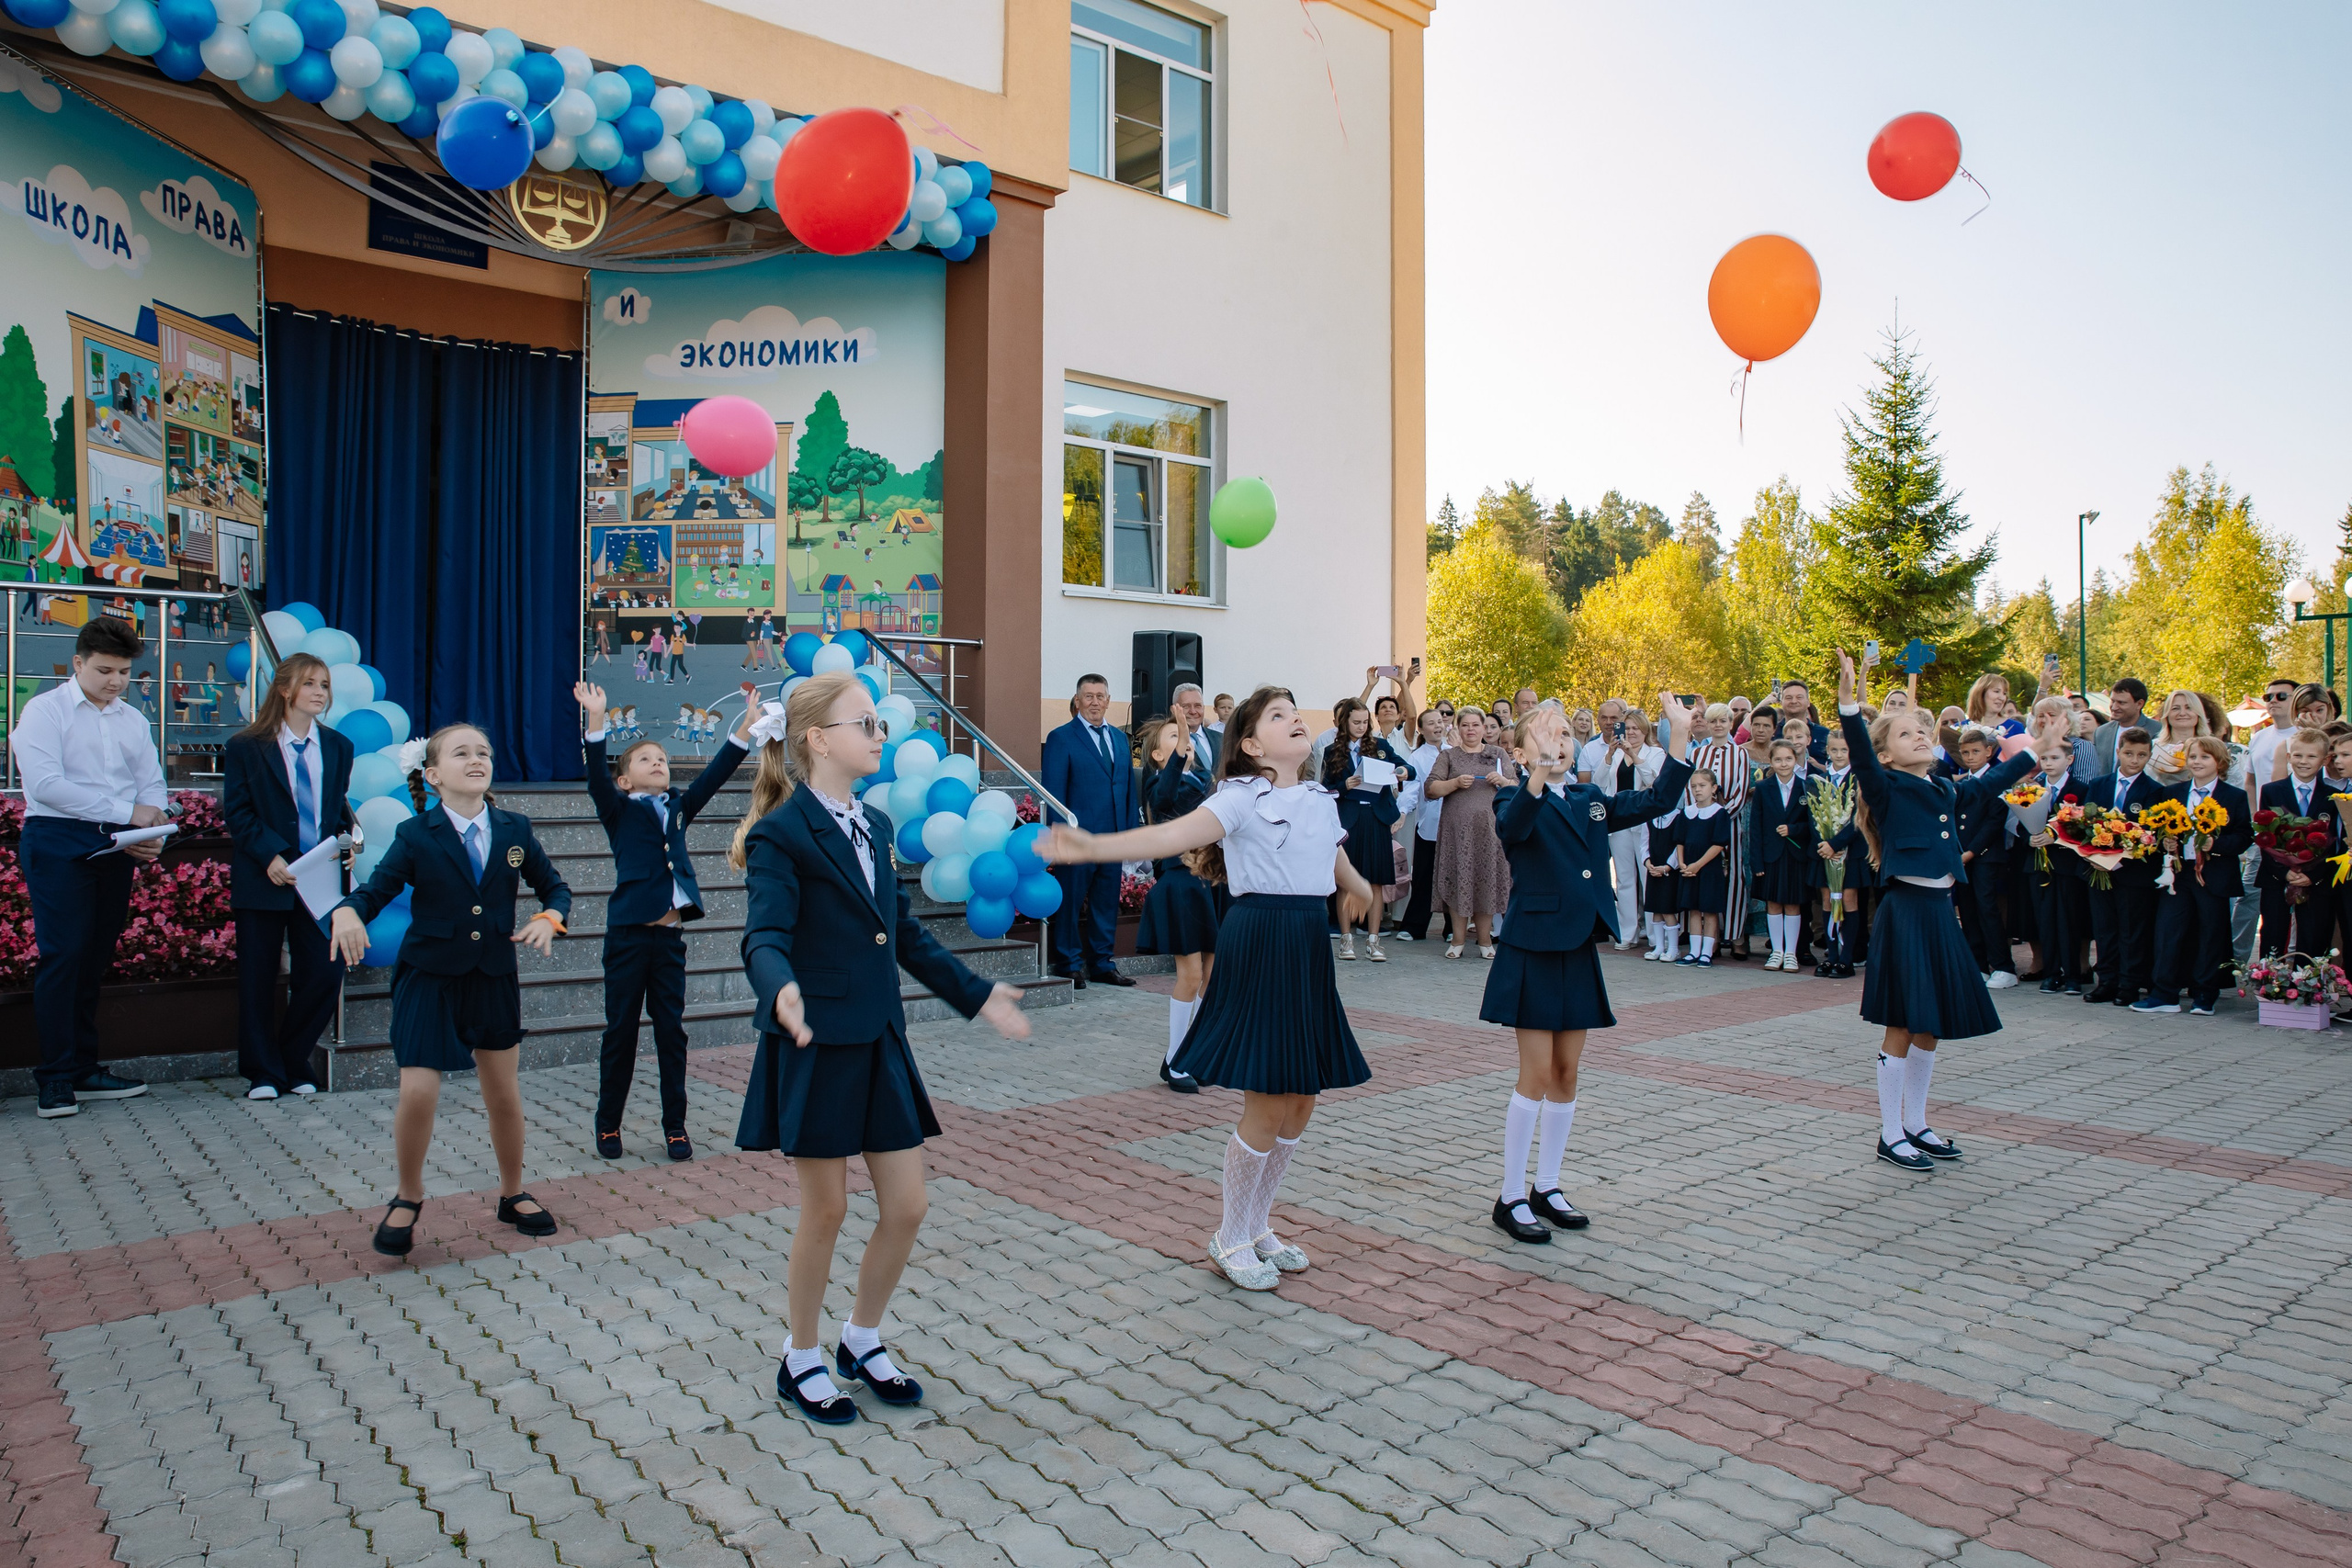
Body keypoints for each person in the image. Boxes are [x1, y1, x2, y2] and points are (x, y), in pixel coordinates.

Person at [728, 674, 1029, 1423]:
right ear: (817, 739)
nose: (879, 732)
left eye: (878, 720)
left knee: (908, 1205)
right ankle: (800, 1356)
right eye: (863, 722)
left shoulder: (879, 826)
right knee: (825, 1209)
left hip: (879, 1039)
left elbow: (905, 934)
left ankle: (860, 1338)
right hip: (816, 1040)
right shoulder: (780, 832)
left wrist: (977, 991)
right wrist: (779, 986)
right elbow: (762, 933)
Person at [1039, 687, 1378, 1292]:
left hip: (1305, 944)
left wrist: (1358, 885)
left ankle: (1258, 1223)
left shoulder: (1321, 801)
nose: (1295, 719)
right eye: (1278, 716)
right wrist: (1092, 844)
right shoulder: (1239, 797)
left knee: (1302, 1097)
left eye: (1295, 711)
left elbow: (1334, 863)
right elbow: (1167, 837)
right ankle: (1230, 1232)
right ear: (1250, 745)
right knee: (1269, 1098)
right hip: (1261, 938)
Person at [331, 725, 572, 1256]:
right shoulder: (417, 834)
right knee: (418, 1089)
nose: (477, 758)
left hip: (491, 976)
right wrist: (348, 910)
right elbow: (377, 889)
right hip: (429, 977)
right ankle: (408, 1195)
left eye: (484, 751)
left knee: (503, 1094)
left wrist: (551, 917)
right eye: (461, 753)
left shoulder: (514, 828)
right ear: (434, 775)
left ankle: (512, 1192)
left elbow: (555, 886)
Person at [1482, 699, 1691, 1244]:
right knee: (1534, 1075)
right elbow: (1514, 828)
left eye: (1564, 734)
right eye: (1546, 735)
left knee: (1567, 1074)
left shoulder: (1589, 798)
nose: (1560, 740)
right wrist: (1536, 778)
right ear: (1521, 751)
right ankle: (1510, 1196)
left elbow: (1657, 798)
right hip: (1532, 947)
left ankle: (1546, 1187)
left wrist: (1680, 740)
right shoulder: (1512, 795)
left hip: (1576, 948)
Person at [1837, 649, 2036, 1173]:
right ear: (1888, 756)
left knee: (1931, 1026)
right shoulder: (1884, 786)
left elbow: (1988, 784)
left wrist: (2035, 751)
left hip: (1939, 911)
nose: (1921, 737)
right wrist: (1849, 706)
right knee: (1903, 1024)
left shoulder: (1942, 786)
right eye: (1906, 735)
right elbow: (1860, 755)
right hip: (1906, 915)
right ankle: (1889, 1132)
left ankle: (1917, 1125)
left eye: (1922, 732)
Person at [576, 680, 753, 1162]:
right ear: (626, 780)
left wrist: (743, 731)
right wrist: (596, 719)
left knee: (671, 1033)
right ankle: (607, 1124)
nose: (658, 762)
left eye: (662, 758)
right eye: (645, 759)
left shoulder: (677, 808)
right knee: (621, 1032)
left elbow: (712, 778)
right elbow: (595, 775)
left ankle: (675, 1127)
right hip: (629, 938)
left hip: (670, 942)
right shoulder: (617, 810)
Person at [10, 617, 167, 1118]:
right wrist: (128, 815)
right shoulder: (44, 711)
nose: (116, 681)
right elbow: (46, 785)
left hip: (116, 843)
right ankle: (54, 1078)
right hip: (56, 839)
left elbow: (152, 785)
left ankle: (82, 1068)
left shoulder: (132, 719)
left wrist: (151, 831)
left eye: (123, 672)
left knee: (95, 956)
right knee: (64, 955)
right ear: (77, 663)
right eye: (104, 670)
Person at [222, 652, 354, 1100]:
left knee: (324, 970)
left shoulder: (338, 746)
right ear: (284, 690)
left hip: (319, 879)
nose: (320, 692)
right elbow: (238, 813)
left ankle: (292, 1059)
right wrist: (270, 855)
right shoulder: (246, 745)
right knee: (258, 977)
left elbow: (336, 810)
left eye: (325, 685)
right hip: (266, 875)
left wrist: (348, 843)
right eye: (311, 684)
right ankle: (262, 1072)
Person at [2137, 737, 2253, 1016]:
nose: (2197, 762)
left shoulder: (2232, 796)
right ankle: (2164, 993)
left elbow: (2244, 835)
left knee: (2210, 932)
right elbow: (2160, 829)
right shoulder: (2173, 793)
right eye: (2193, 757)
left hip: (2212, 873)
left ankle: (2205, 994)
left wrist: (2218, 845)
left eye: (2205, 757)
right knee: (2168, 930)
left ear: (2219, 762)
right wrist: (2164, 841)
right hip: (2178, 873)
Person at [1134, 714, 1217, 1092]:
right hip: (1181, 885)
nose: (1184, 739)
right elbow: (1166, 794)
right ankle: (1176, 1057)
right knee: (1191, 974)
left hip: (1210, 884)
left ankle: (1194, 1052)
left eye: (1184, 735)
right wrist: (1182, 744)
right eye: (1174, 735)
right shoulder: (1156, 784)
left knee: (1212, 975)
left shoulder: (1203, 780)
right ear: (1156, 754)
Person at [1039, 673, 1137, 987]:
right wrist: (1060, 835)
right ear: (1078, 701)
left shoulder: (1121, 739)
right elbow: (1054, 791)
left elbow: (1127, 790)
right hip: (1077, 838)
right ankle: (1068, 963)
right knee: (1070, 901)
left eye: (1100, 696)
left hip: (1112, 838)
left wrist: (1130, 833)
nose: (1095, 702)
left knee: (1106, 902)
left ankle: (1102, 963)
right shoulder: (1061, 737)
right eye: (1089, 696)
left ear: (1109, 701)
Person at [1320, 696, 1415, 961]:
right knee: (1347, 881)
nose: (1362, 727)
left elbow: (1407, 768)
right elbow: (1326, 788)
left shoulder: (1380, 746)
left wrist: (1403, 772)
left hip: (1377, 818)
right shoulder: (1332, 751)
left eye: (1365, 722)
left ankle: (1374, 941)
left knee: (1375, 881)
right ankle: (1346, 939)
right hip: (1349, 819)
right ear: (1344, 722)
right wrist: (1344, 786)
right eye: (1356, 722)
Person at [2083, 728, 2166, 1007]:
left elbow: (2150, 835)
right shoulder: (2099, 784)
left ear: (2149, 757)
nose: (2134, 760)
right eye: (2129, 753)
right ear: (2118, 752)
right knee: (2104, 927)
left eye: (2142, 755)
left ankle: (2129, 982)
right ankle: (2106, 980)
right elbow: (2085, 825)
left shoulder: (2155, 791)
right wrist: (2093, 854)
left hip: (2133, 872)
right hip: (2099, 869)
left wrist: (2120, 857)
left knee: (2132, 929)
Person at [1425, 706, 1516, 959]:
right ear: (1458, 727)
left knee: (1486, 881)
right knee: (1458, 880)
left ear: (1484, 728)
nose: (1471, 730)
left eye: (1476, 725)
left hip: (1490, 832)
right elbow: (1430, 788)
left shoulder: (1496, 753)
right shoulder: (1449, 756)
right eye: (1466, 725)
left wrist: (1502, 781)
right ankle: (1458, 940)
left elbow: (1516, 786)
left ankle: (1486, 941)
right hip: (1457, 833)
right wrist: (1454, 783)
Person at [2256, 727, 2337, 959]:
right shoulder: (2272, 790)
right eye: (2298, 755)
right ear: (2289, 757)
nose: (2304, 761)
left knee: (2313, 933)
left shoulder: (2331, 797)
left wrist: (2315, 874)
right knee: (2273, 930)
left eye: (2312, 756)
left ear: (2324, 760)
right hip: (2277, 876)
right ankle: (2270, 984)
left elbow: (2334, 842)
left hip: (2315, 878)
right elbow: (2264, 836)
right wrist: (2285, 872)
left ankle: (2309, 984)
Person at [2026, 732, 2094, 995]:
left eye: (2055, 758)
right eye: (2044, 758)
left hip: (2067, 866)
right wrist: (2030, 838)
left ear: (2070, 759)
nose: (2048, 763)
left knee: (2069, 920)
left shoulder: (2081, 789)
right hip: (2039, 865)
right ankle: (2052, 973)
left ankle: (2073, 974)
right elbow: (2022, 824)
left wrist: (2055, 835)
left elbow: (2085, 826)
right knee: (2045, 920)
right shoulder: (2033, 788)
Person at [1592, 709, 1665, 949]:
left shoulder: (1655, 753)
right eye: (1627, 728)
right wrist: (1611, 755)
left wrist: (1634, 754)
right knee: (1624, 879)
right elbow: (1598, 783)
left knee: (1648, 879)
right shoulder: (1613, 754)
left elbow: (1653, 781)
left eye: (1636, 728)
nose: (1631, 732)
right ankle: (1627, 933)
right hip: (1619, 821)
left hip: (1644, 822)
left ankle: (1655, 936)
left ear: (1645, 731)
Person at [1951, 728, 2018, 987]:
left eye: (1976, 751)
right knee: (1966, 909)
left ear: (1989, 751)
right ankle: (1978, 965)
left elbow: (1993, 822)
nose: (1970, 757)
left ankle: (2003, 966)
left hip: (1986, 856)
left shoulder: (1997, 779)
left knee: (1987, 907)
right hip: (1963, 856)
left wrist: (1970, 853)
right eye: (1965, 752)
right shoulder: (1960, 783)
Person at [1688, 704, 1753, 959]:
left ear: (1730, 723)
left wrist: (1720, 817)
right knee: (1703, 876)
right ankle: (1707, 939)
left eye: (1723, 721)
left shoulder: (1740, 754)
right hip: (1700, 824)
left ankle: (1736, 935)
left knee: (1734, 878)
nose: (1718, 726)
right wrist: (1698, 817)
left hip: (1729, 824)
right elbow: (1690, 787)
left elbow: (1741, 790)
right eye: (1713, 721)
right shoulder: (1697, 754)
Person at [1750, 739, 1814, 971]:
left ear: (1795, 760)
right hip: (1771, 855)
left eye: (1788, 759)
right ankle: (1776, 951)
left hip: (1796, 855)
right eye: (1778, 759)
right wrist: (1756, 860)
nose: (1783, 763)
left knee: (1793, 904)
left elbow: (1813, 825)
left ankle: (1791, 953)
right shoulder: (1764, 789)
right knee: (1774, 903)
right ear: (1771, 761)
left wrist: (1793, 829)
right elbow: (1755, 828)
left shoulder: (1806, 786)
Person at [1394, 706, 1448, 942]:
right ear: (1422, 730)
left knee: (1452, 876)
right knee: (1424, 876)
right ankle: (1415, 925)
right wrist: (1403, 811)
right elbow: (1412, 787)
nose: (1438, 726)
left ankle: (1452, 928)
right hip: (1428, 825)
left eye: (1441, 721)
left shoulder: (1454, 751)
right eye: (1432, 723)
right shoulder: (1417, 757)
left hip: (1455, 825)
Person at [1670, 769, 1732, 966]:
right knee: (1694, 910)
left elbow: (1719, 843)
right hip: (1689, 869)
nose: (1698, 790)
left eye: (1702, 786)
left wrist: (1698, 865)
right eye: (1694, 786)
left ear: (1713, 788)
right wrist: (1682, 863)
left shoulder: (1719, 813)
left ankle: (1707, 952)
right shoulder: (1686, 812)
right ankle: (1694, 951)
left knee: (1710, 910)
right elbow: (1679, 840)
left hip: (1708, 869)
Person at [2092, 679, 2156, 773]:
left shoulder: (2157, 731)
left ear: (2139, 704)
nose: (2114, 707)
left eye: (2121, 703)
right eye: (2112, 701)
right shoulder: (2101, 732)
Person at [1170, 682, 1218, 773]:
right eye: (1186, 706)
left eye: (1198, 706)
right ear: (1174, 710)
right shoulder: (1164, 742)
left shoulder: (1222, 739)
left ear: (1203, 708)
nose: (1193, 711)